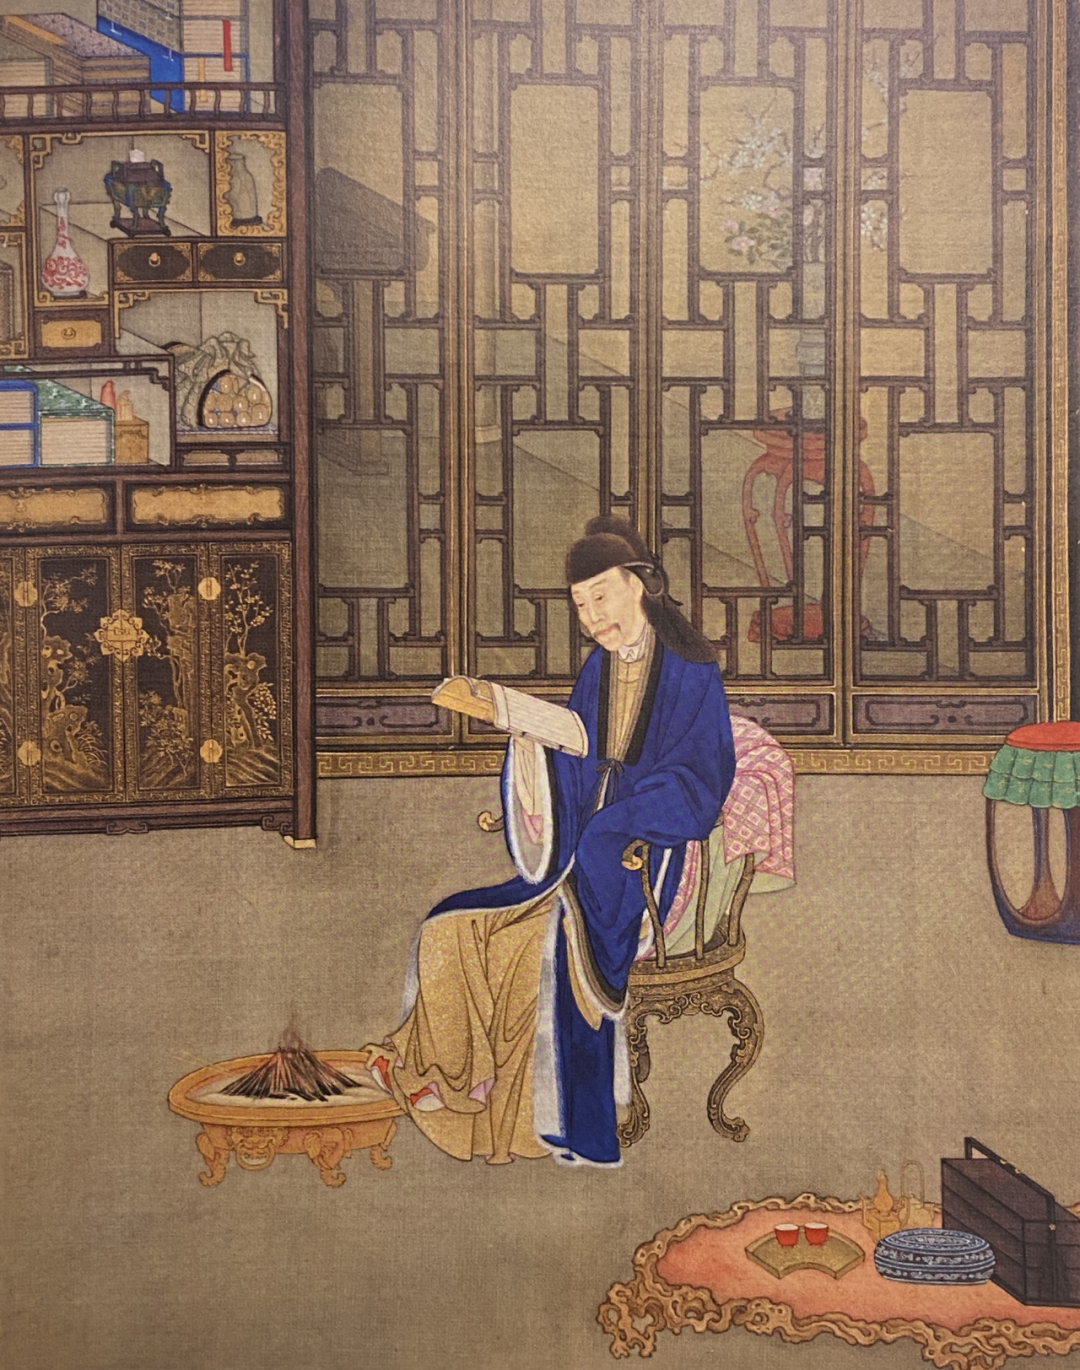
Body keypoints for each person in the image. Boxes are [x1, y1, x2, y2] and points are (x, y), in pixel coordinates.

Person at [366, 517, 736, 1166]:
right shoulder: (597, 668)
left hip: (643, 854)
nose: (592, 617)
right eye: (580, 605)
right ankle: (452, 1080)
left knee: (533, 947)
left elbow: (700, 778)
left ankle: (564, 1125)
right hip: (578, 845)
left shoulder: (691, 669)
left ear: (638, 586)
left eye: (601, 597)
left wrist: (620, 820)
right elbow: (576, 752)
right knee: (451, 927)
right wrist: (530, 741)